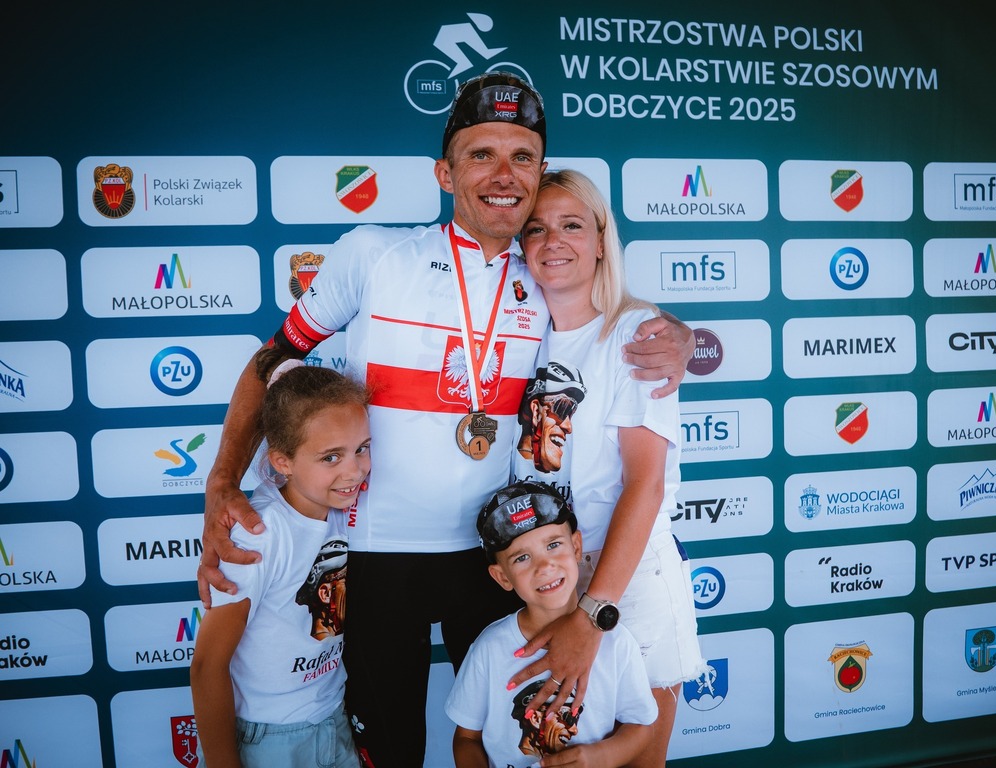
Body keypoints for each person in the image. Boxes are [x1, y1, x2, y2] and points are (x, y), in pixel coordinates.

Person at [198, 72, 694, 768]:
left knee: (507, 742)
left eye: (522, 157)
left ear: (540, 173)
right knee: (391, 748)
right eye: (481, 154)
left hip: (495, 558)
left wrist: (680, 337)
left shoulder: (544, 274)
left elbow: (615, 328)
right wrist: (222, 481)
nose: (504, 174)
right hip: (375, 555)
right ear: (444, 172)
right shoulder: (373, 253)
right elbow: (274, 358)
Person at [508, 169, 708, 768]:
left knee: (639, 757)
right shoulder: (520, 337)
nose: (553, 241)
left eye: (572, 225)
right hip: (548, 576)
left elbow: (645, 486)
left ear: (600, 240)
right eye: (536, 228)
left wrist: (593, 615)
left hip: (626, 579)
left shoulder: (636, 334)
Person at [190, 362, 370, 768]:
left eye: (362, 448)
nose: (354, 470)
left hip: (335, 719)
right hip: (268, 739)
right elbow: (206, 666)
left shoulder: (345, 508)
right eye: (331, 457)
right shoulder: (259, 534)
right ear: (282, 461)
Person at [445, 481, 657, 768]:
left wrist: (600, 757)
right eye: (522, 557)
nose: (544, 566)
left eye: (553, 545)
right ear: (502, 577)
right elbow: (467, 738)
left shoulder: (616, 643)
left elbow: (641, 726)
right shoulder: (489, 648)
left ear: (576, 547)